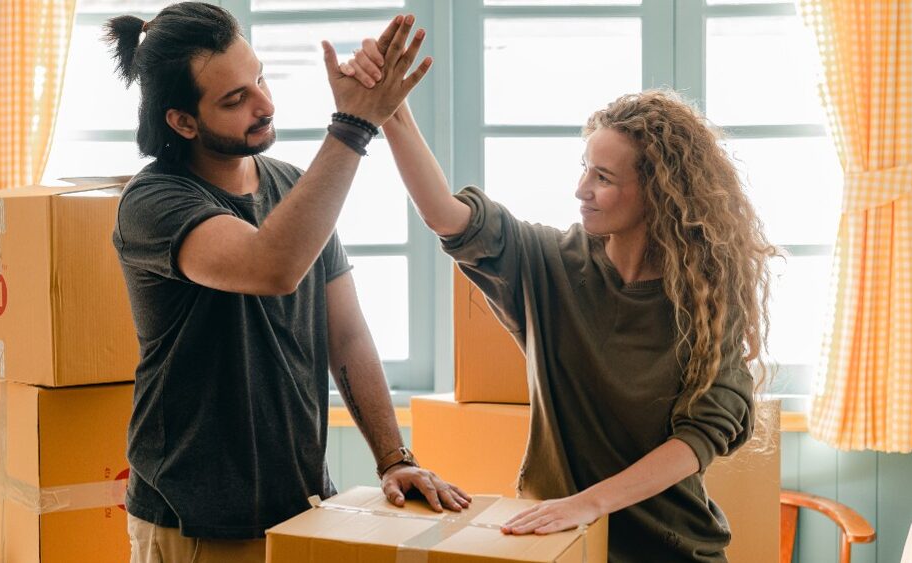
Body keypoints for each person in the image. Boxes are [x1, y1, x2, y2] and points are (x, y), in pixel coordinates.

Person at [343, 29, 777, 562]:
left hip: (671, 550)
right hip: (559, 544)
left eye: (603, 177)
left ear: (659, 193)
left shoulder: (705, 299)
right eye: (584, 168)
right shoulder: (548, 263)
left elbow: (699, 438)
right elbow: (446, 216)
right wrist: (391, 111)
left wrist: (588, 503)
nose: (581, 190)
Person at [103, 5, 469, 562]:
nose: (265, 103)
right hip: (194, 522)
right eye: (235, 100)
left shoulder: (295, 187)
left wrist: (394, 458)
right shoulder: (153, 202)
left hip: (303, 507)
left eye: (261, 77)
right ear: (183, 121)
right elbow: (271, 267)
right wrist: (354, 125)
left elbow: (346, 334)